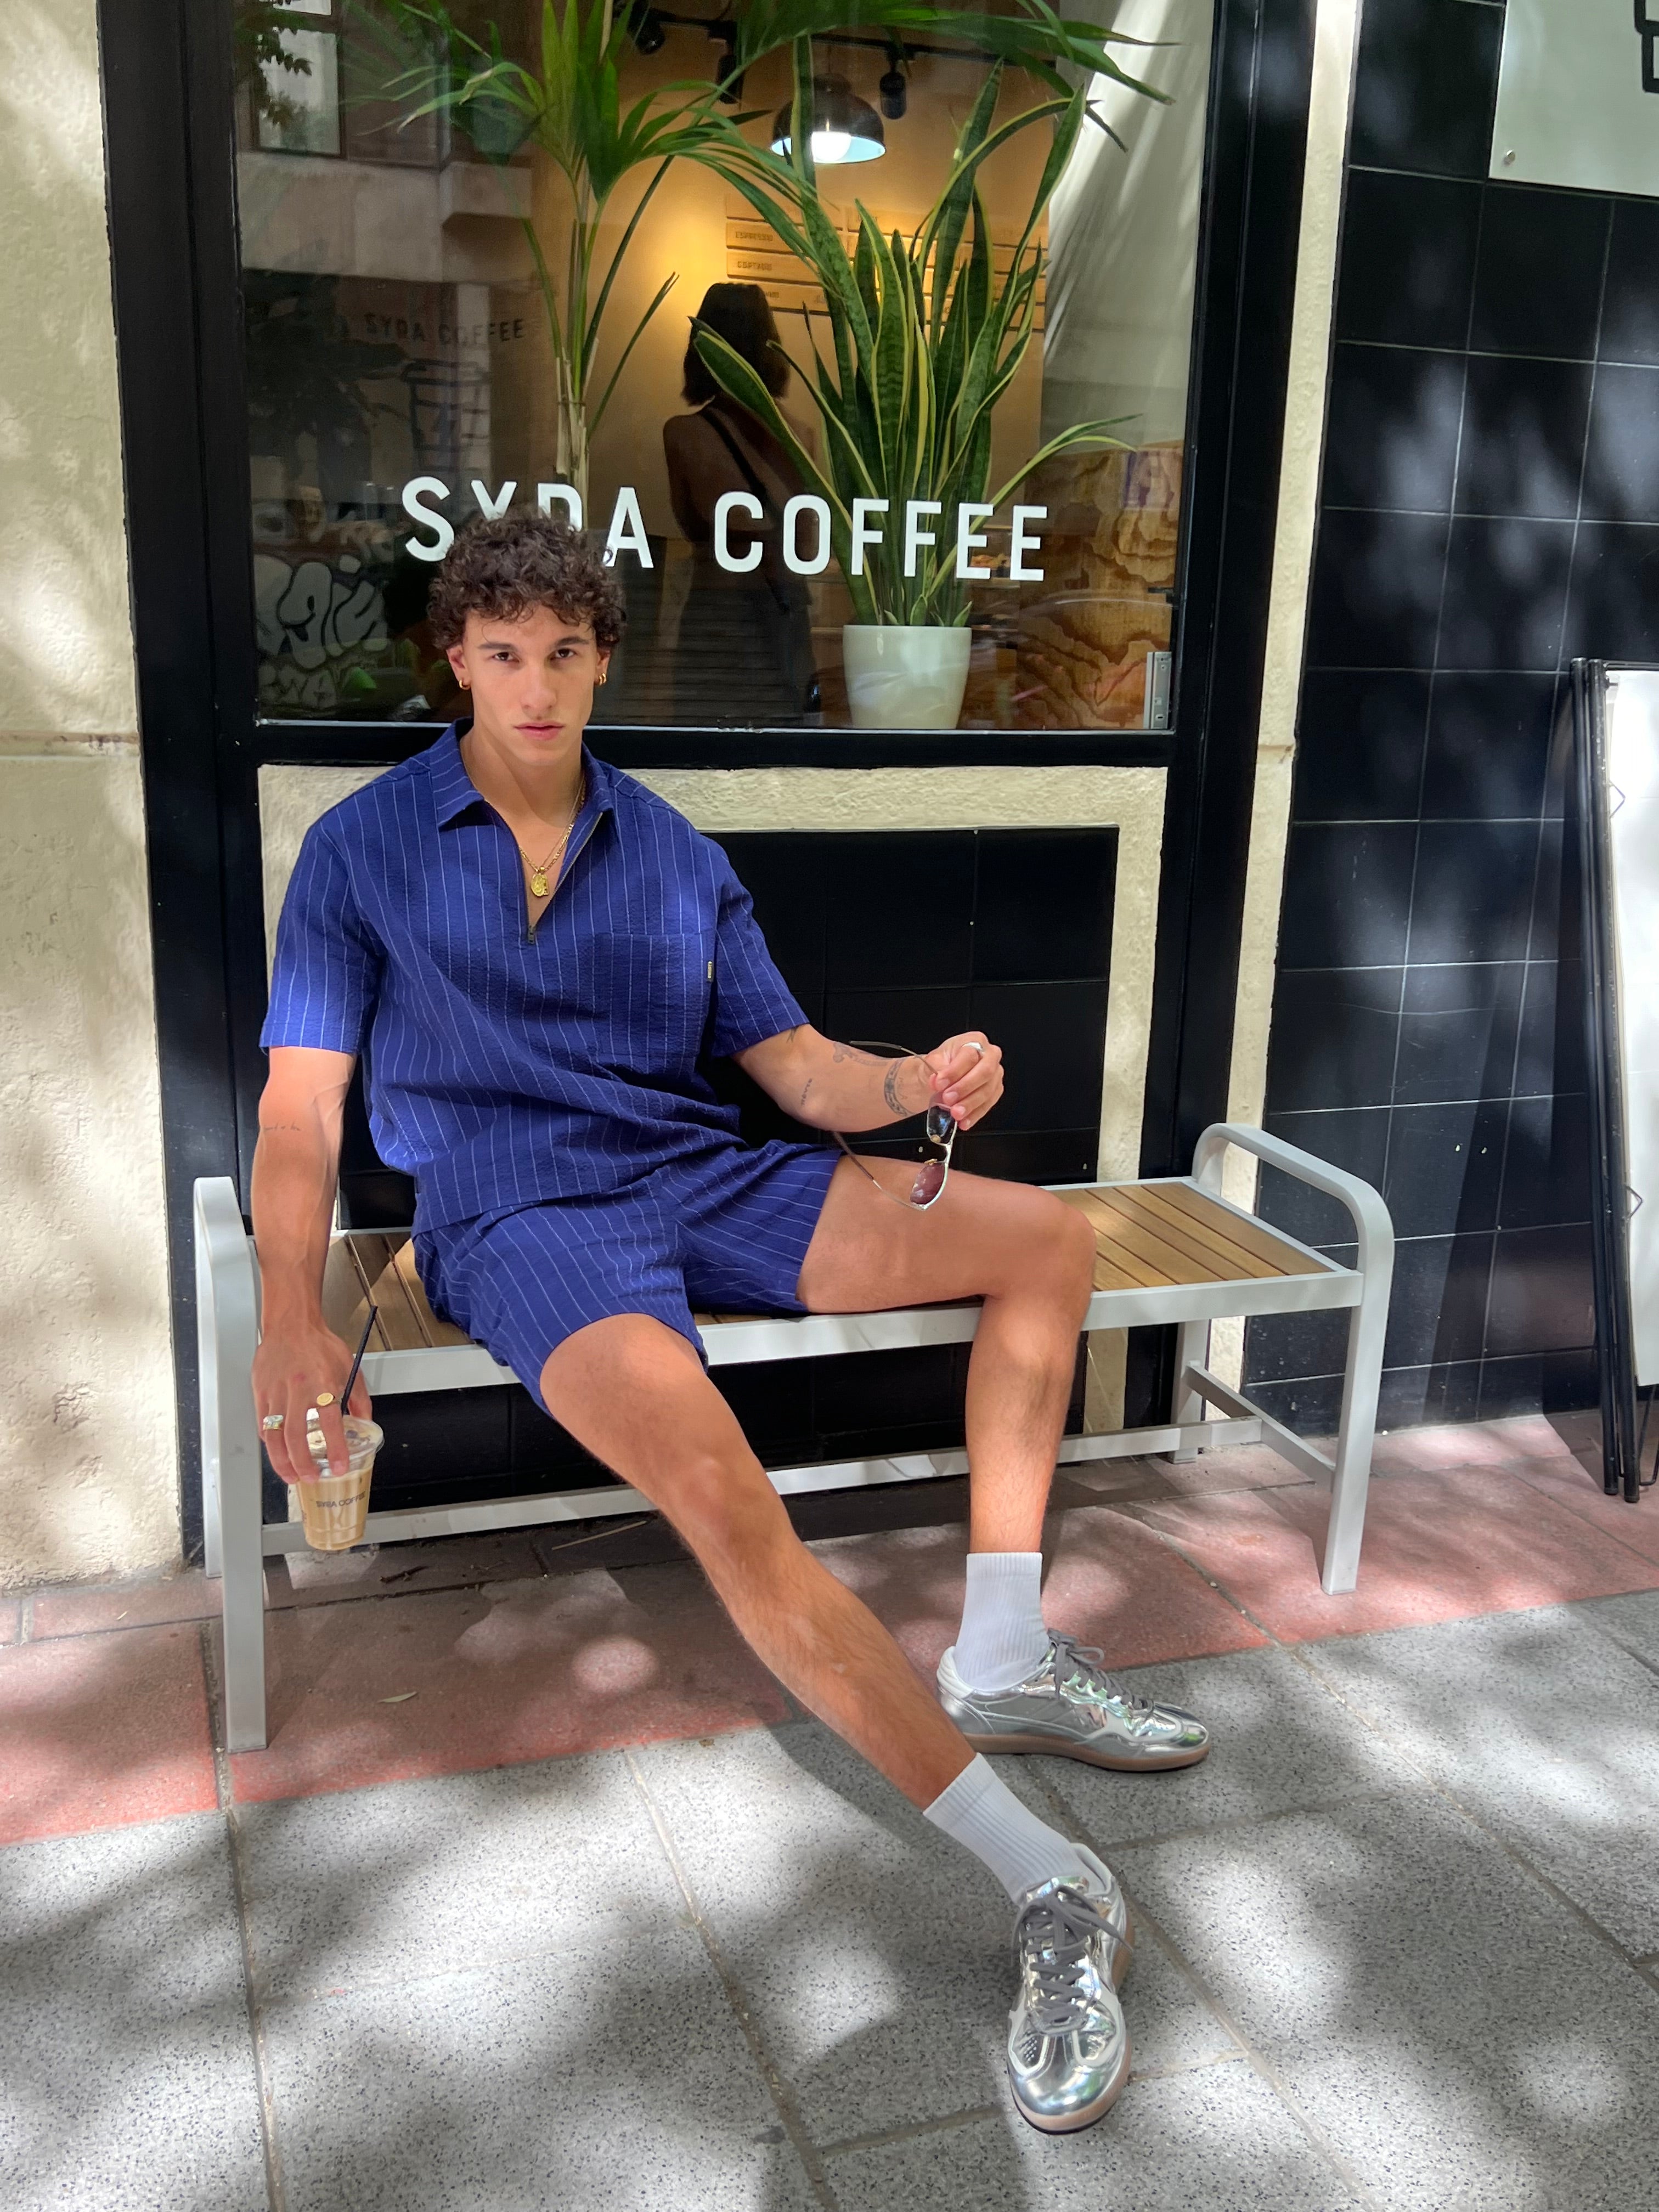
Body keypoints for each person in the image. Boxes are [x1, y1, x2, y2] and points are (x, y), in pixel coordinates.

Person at [252, 511, 1210, 2136]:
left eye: (565, 653)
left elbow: (805, 1074)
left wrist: (915, 1083)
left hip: (697, 1173)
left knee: (1047, 1240)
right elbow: (298, 1114)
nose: (536, 686)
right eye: (504, 653)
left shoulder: (673, 853)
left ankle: (999, 1649)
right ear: (456, 659)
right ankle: (1056, 1883)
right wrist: (292, 1312)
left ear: (602, 661)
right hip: (518, 1219)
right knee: (721, 1491)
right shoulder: (363, 849)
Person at [662, 282, 818, 725]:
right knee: (787, 747)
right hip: (785, 615)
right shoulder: (803, 436)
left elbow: (691, 528)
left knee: (702, 747)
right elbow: (806, 547)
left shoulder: (683, 435)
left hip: (717, 615)